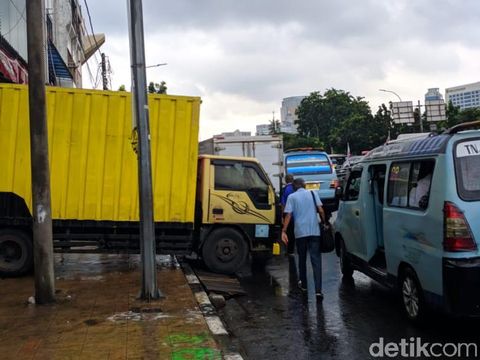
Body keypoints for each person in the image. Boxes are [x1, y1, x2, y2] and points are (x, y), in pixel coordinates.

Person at [281, 178, 328, 299]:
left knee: (302, 259)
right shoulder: (313, 193)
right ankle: (318, 291)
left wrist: (284, 231)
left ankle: (304, 286)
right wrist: (324, 222)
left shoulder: (292, 197)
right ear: (304, 185)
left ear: (294, 187)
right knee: (316, 260)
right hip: (314, 232)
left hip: (300, 233)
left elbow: (288, 215)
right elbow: (321, 210)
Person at [281, 174, 295, 255]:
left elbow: (283, 204)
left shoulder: (284, 189)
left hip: (288, 215)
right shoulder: (295, 188)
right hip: (296, 214)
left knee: (289, 232)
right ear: (293, 180)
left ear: (286, 180)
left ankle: (289, 250)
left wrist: (282, 216)